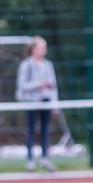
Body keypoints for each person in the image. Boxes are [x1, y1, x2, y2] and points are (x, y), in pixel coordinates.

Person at [16, 36, 58, 172]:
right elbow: (22, 86)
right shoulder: (26, 65)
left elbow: (53, 86)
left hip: (45, 101)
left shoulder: (48, 64)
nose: (44, 50)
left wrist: (54, 104)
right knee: (31, 130)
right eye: (41, 47)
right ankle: (30, 160)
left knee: (45, 130)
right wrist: (38, 84)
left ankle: (45, 158)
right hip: (31, 101)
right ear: (33, 49)